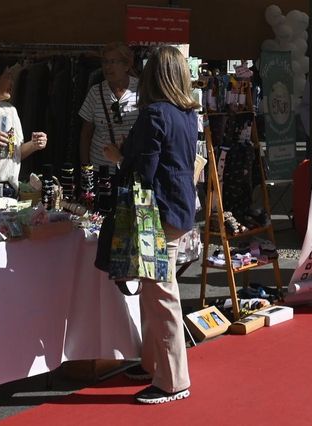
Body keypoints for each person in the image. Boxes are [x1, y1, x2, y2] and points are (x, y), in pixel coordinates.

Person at [101, 46, 200, 404]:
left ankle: (173, 379)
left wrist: (118, 157)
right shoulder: (188, 113)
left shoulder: (154, 114)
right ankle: (153, 362)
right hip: (176, 208)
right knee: (154, 290)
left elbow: (142, 170)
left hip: (154, 213)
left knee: (161, 295)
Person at [0, 63, 47, 197]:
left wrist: (34, 145)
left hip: (9, 189)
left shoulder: (10, 111)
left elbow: (16, 153)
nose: (12, 82)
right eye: (8, 77)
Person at [79, 42, 140, 169]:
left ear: (126, 65)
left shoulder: (140, 90)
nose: (107, 67)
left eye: (113, 62)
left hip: (130, 167)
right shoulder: (95, 92)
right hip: (100, 168)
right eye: (105, 62)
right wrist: (85, 167)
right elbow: (86, 133)